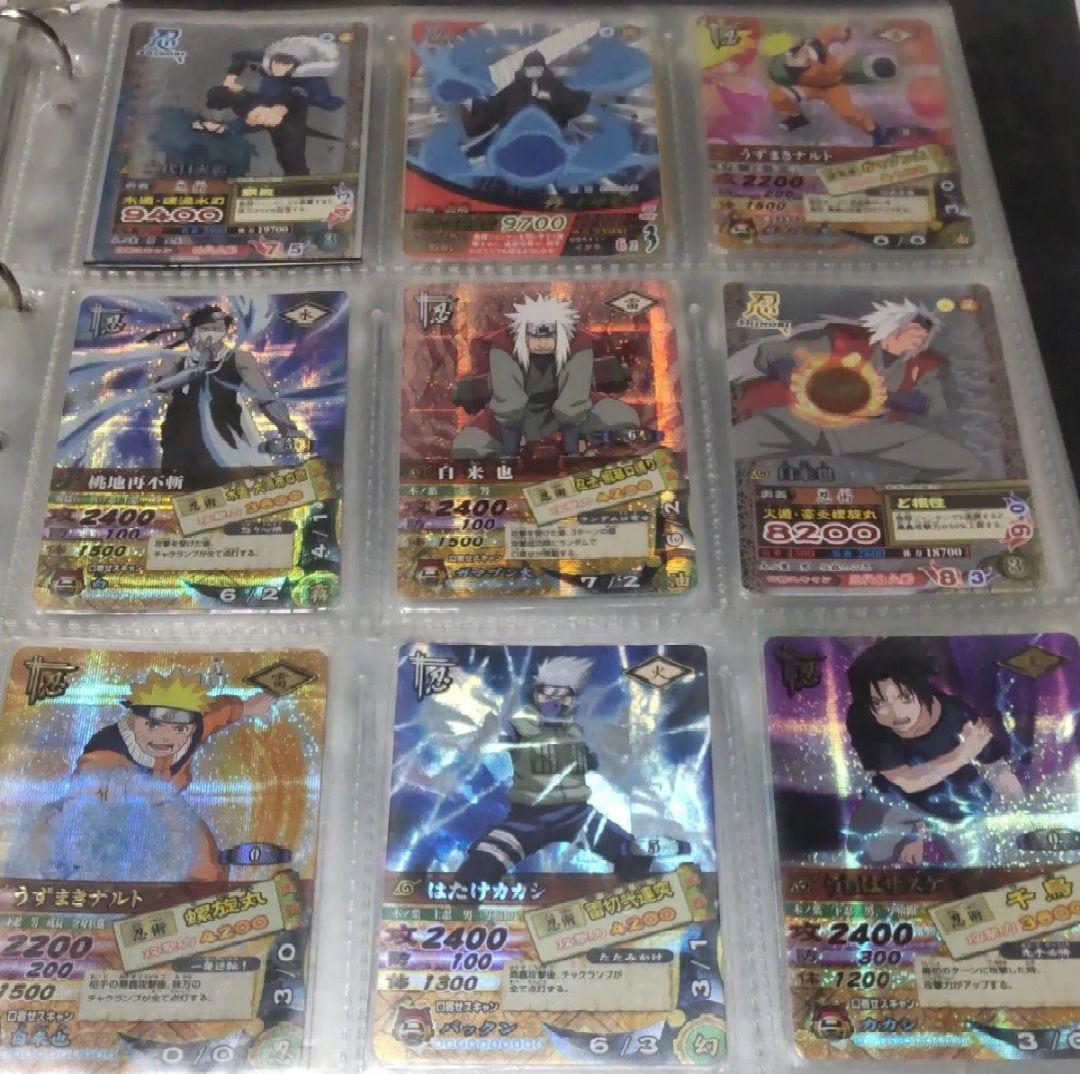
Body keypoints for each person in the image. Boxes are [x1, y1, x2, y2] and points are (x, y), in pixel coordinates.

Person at [730, 299, 982, 481]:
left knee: (963, 464)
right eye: (913, 331)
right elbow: (773, 354)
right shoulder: (844, 341)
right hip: (800, 421)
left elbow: (931, 403)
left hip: (872, 432)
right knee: (725, 449)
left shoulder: (924, 365)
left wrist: (892, 398)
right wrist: (792, 374)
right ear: (893, 327)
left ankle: (902, 508)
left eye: (923, 337)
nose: (917, 339)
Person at [456, 656, 655, 882]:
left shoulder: (578, 731)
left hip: (576, 814)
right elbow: (491, 742)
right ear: (537, 695)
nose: (555, 702)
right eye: (548, 695)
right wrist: (487, 734)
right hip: (529, 818)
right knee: (482, 864)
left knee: (635, 855)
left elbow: (606, 760)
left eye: (563, 696)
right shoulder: (520, 726)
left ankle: (632, 899)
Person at [75, 671, 273, 881]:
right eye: (152, 725)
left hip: (164, 804)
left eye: (179, 729)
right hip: (112, 815)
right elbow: (89, 777)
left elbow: (220, 711)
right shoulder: (108, 747)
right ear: (134, 721)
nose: (164, 737)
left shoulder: (196, 728)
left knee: (206, 867)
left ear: (191, 728)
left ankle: (205, 891)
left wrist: (247, 708)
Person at [843, 638, 1023, 864]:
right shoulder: (864, 722)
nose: (896, 713)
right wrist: (964, 753)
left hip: (954, 800)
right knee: (861, 850)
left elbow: (993, 761)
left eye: (904, 698)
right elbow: (908, 781)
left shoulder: (954, 712)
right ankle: (914, 829)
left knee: (976, 862)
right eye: (880, 704)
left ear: (919, 688)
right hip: (897, 799)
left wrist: (1014, 797)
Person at [451, 295, 639, 458]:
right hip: (515, 415)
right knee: (468, 445)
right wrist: (510, 455)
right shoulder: (504, 348)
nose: (542, 343)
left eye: (548, 337)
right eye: (535, 337)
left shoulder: (578, 346)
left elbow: (574, 400)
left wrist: (572, 453)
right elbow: (508, 404)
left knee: (620, 418)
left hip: (572, 409)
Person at [143, 304, 303, 489]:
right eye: (205, 328)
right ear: (194, 331)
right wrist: (193, 362)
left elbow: (264, 395)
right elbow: (156, 387)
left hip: (224, 433)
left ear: (225, 330)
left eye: (217, 328)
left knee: (227, 485)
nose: (211, 333)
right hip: (181, 438)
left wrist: (287, 428)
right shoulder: (176, 359)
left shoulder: (238, 359)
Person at [192, 36, 343, 175]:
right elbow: (240, 56)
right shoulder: (265, 66)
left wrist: (279, 108)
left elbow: (299, 94)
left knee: (290, 157)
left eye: (286, 64)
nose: (279, 67)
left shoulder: (308, 79)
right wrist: (231, 77)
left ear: (294, 65)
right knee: (284, 155)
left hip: (291, 116)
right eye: (277, 62)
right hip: (266, 111)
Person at [767, 27, 888, 145]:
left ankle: (875, 131)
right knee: (777, 95)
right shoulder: (796, 55)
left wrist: (847, 37)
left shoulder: (827, 62)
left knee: (847, 113)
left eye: (796, 57)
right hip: (808, 87)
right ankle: (797, 118)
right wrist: (844, 34)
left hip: (833, 88)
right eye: (791, 55)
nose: (791, 58)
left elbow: (834, 41)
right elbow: (828, 33)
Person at [460, 50, 590, 158]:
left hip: (547, 133)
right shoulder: (513, 88)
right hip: (514, 133)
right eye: (530, 68)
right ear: (524, 69)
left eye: (538, 68)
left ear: (543, 69)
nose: (534, 71)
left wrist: (552, 98)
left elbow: (570, 101)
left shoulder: (553, 85)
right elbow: (494, 106)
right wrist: (473, 104)